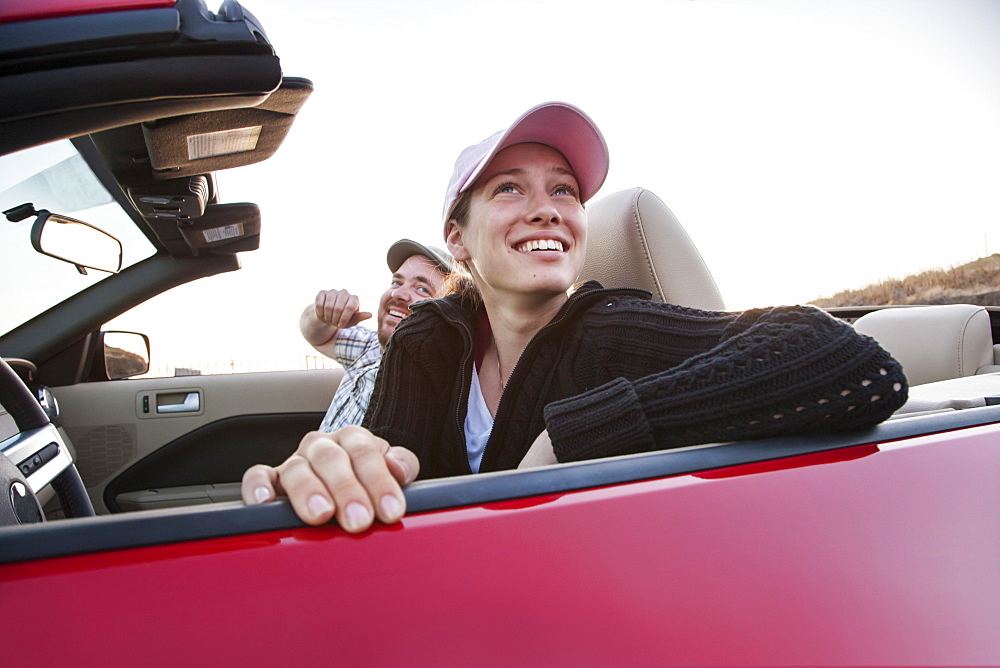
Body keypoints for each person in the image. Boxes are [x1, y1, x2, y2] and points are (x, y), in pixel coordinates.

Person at [243, 102, 908, 533]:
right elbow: (390, 471)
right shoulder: (426, 338)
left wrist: (578, 436)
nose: (547, 208)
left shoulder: (612, 330)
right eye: (511, 188)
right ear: (457, 238)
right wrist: (340, 473)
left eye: (564, 189)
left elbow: (854, 365)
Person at [300, 239, 451, 432]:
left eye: (422, 289)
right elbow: (317, 335)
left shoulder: (443, 386)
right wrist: (321, 313)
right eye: (397, 282)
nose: (398, 294)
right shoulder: (371, 347)